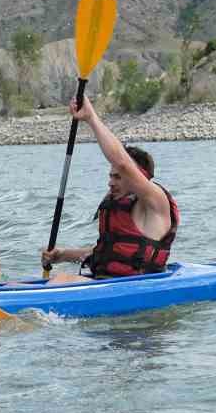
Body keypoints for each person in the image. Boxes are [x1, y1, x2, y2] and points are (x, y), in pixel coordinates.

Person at [41, 95, 179, 282]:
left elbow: (122, 162)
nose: (110, 183)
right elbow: (108, 251)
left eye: (118, 177)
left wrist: (91, 118)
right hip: (107, 282)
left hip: (137, 287)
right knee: (19, 284)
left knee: (61, 281)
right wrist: (63, 254)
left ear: (138, 176)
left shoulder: (154, 201)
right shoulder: (119, 202)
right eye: (110, 176)